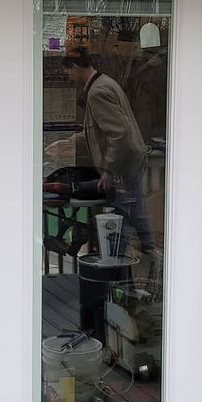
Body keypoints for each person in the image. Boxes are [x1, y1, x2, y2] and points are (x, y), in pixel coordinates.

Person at [52, 47, 158, 255]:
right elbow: (97, 131)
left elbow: (119, 134)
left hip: (122, 165)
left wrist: (109, 169)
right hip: (128, 161)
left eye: (69, 73)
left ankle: (115, 269)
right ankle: (149, 253)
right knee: (135, 212)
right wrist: (66, 143)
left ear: (75, 67)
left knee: (118, 221)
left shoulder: (97, 93)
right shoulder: (104, 83)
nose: (70, 78)